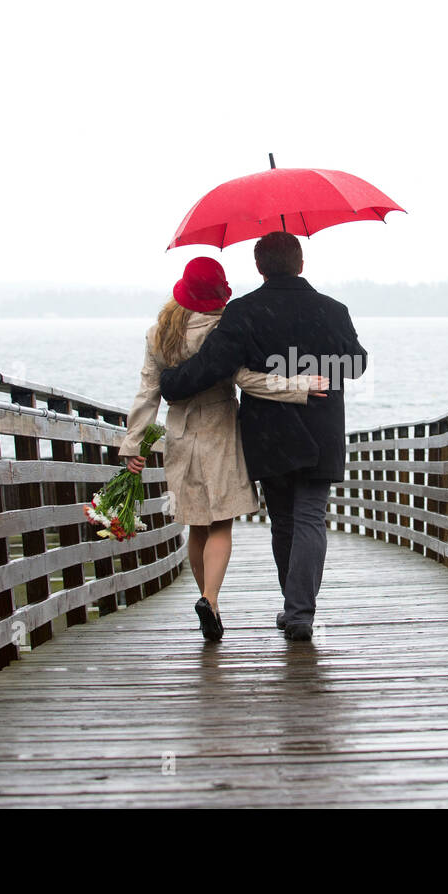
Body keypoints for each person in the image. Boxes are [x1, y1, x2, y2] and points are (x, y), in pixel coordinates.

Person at [159, 231, 367, 642]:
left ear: (258, 267)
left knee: (284, 522)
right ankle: (299, 612)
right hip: (321, 428)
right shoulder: (333, 310)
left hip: (270, 434)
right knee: (310, 518)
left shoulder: (245, 311)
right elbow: (357, 364)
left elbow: (213, 365)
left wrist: (169, 383)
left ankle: (294, 608)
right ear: (301, 263)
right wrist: (312, 375)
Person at [119, 256, 327, 642]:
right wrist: (298, 386)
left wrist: (134, 444)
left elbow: (148, 391)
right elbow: (248, 380)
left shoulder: (158, 333)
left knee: (196, 525)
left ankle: (207, 601)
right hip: (220, 430)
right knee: (220, 524)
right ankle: (209, 598)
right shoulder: (223, 328)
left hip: (180, 433)